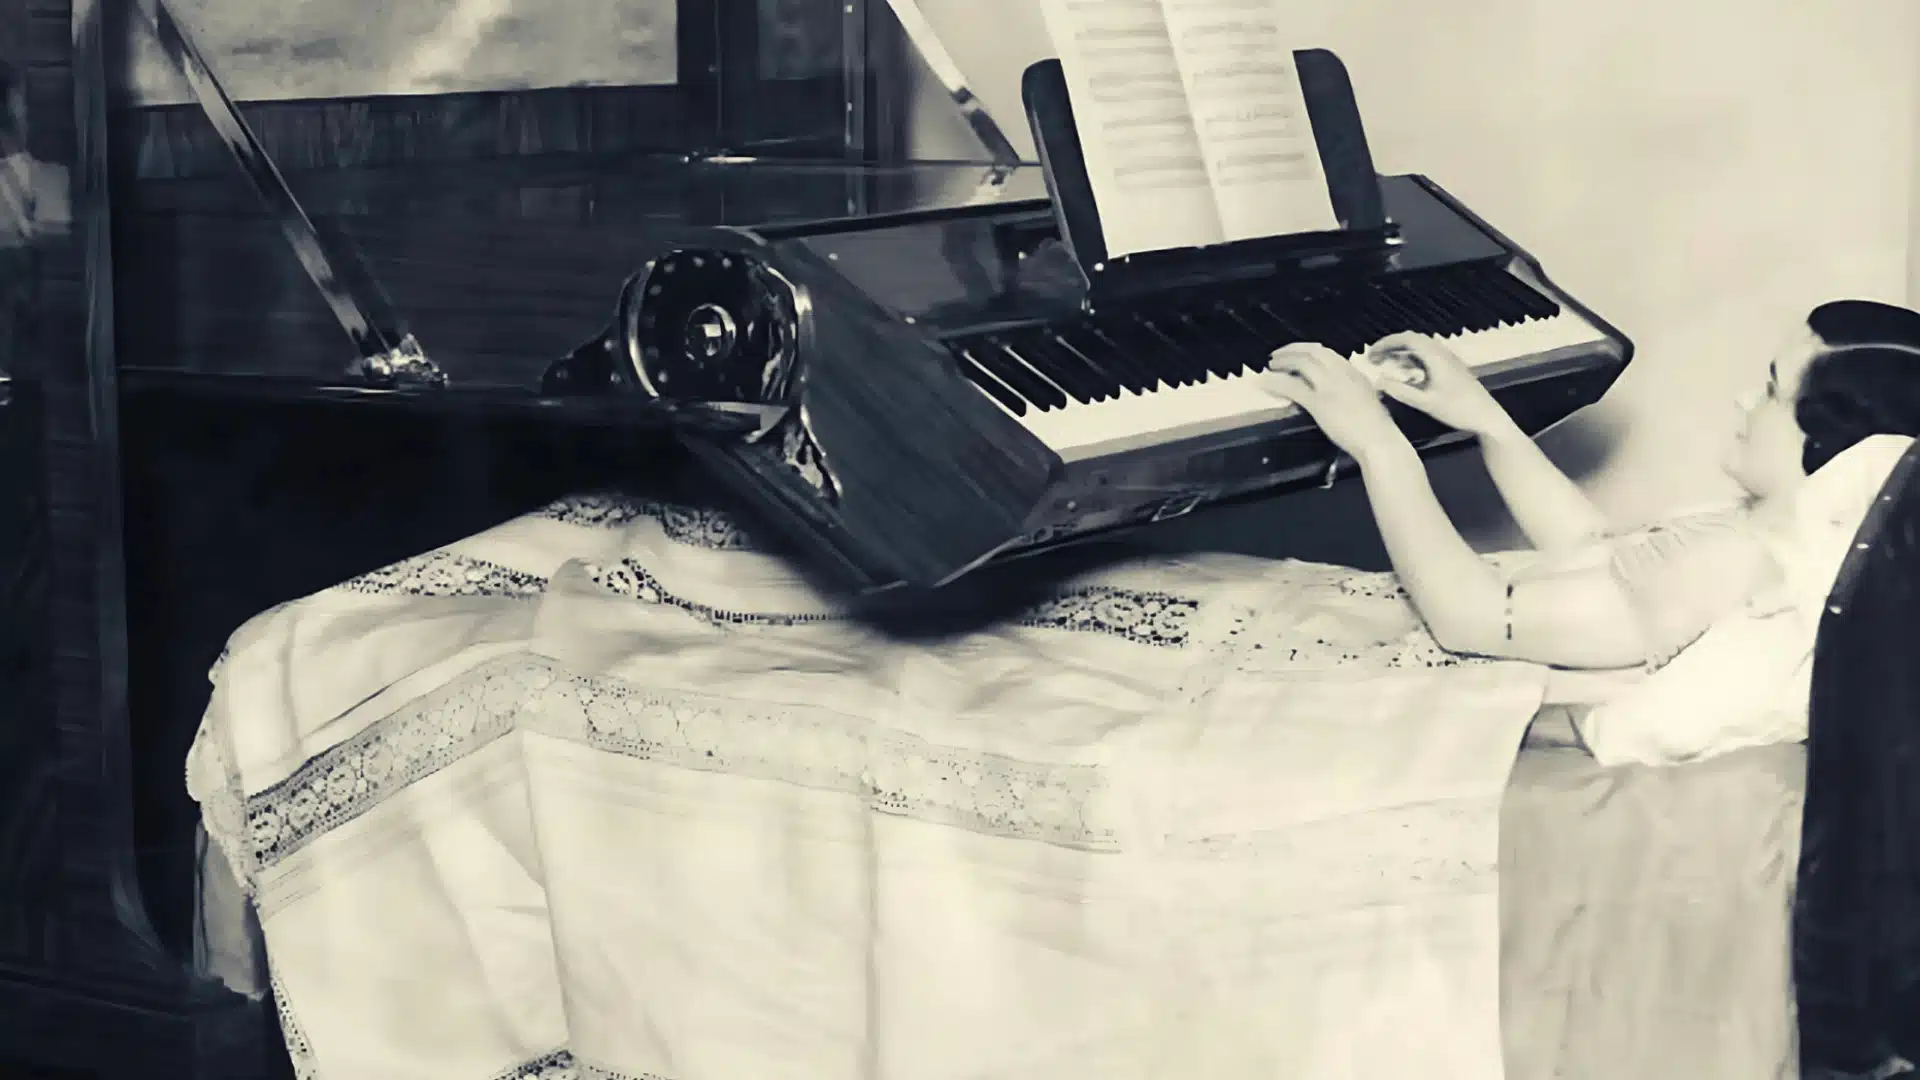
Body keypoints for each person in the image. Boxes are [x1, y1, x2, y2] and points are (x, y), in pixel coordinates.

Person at [1261, 300, 1920, 673]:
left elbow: (1472, 619)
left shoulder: (1737, 568)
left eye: (1773, 391)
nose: (1746, 399)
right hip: (1467, 612)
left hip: (1460, 649)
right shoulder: (1758, 531)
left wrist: (1378, 445)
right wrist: (1485, 418)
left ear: (1831, 447)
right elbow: (1591, 548)